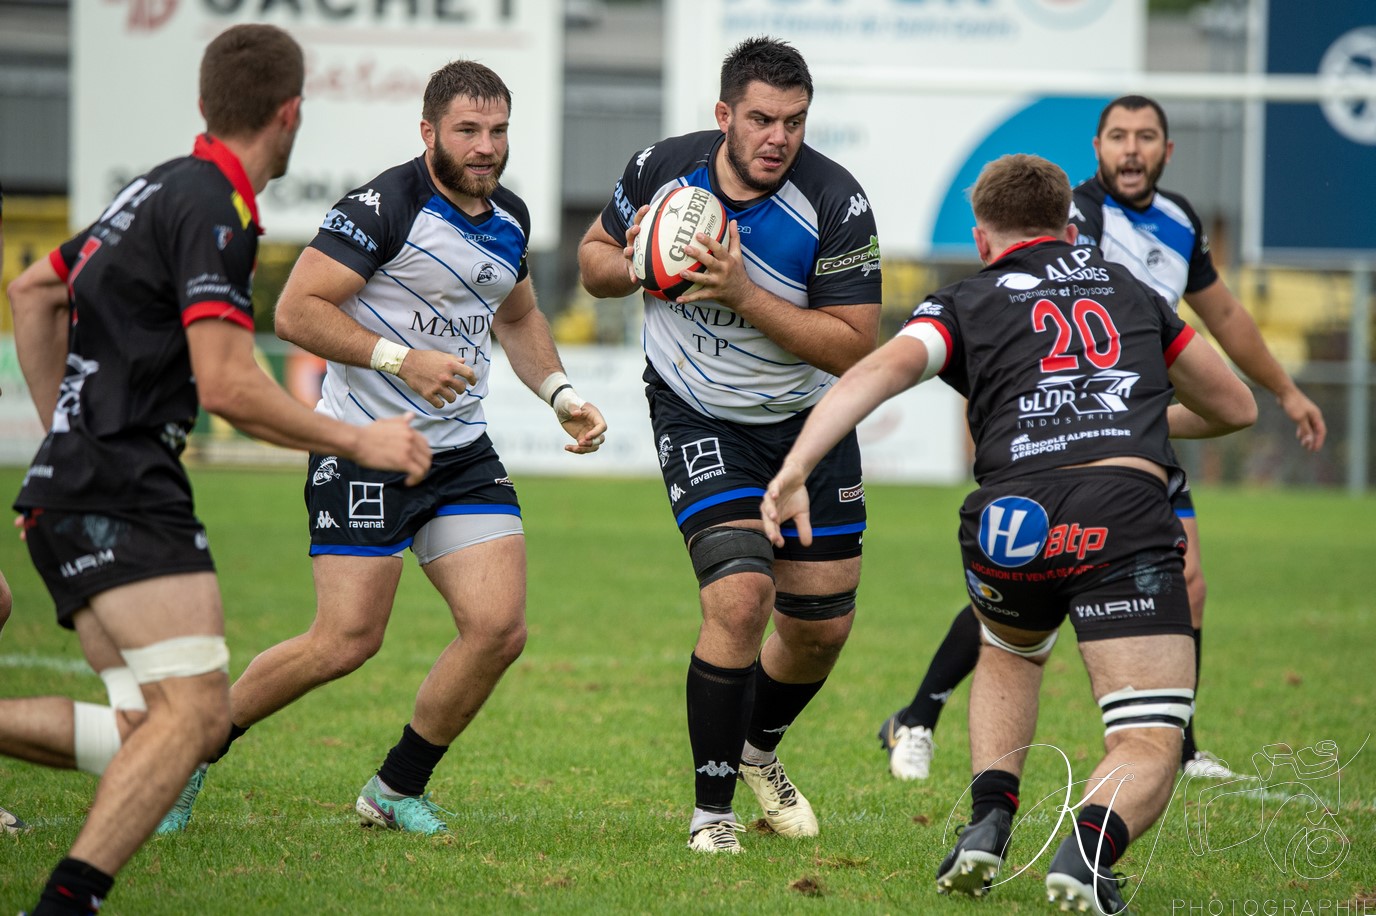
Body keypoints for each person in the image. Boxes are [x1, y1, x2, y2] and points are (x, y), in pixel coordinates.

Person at [1, 24, 431, 916]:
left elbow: (32, 293)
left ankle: (68, 902)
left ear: (205, 104)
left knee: (150, 730)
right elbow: (230, 384)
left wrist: (60, 443)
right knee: (195, 720)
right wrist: (359, 441)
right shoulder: (216, 208)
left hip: (75, 486)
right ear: (290, 113)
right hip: (126, 487)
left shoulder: (156, 186)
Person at [763, 153, 1256, 911]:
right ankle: (1086, 853)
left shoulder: (963, 300)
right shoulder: (1128, 288)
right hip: (1119, 510)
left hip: (1009, 516)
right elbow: (1235, 406)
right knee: (1149, 736)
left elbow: (876, 373)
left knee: (1010, 650)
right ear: (1070, 228)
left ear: (982, 238)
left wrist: (797, 466)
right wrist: (1129, 419)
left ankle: (988, 823)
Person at [156, 59, 607, 838]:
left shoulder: (510, 216)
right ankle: (183, 753)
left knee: (498, 630)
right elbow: (296, 310)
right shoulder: (383, 206)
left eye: (498, 130)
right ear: (429, 131)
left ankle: (396, 788)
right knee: (345, 641)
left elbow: (518, 317)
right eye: (468, 130)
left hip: (459, 453)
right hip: (364, 446)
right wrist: (401, 360)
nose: (486, 146)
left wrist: (562, 396)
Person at [877, 94, 1327, 783]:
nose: (1131, 149)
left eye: (1146, 136)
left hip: (1131, 422)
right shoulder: (1072, 221)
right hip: (1073, 433)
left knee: (1184, 579)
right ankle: (918, 715)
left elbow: (1226, 315)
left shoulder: (1180, 221)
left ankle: (1178, 743)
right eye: (1118, 135)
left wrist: (1285, 391)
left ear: (1166, 151)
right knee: (1031, 581)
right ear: (1097, 148)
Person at [577, 36, 882, 854]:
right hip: (698, 413)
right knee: (741, 597)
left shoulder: (837, 202)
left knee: (820, 629)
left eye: (794, 121)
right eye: (760, 119)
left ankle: (756, 751)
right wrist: (641, 263)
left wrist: (743, 293)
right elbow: (593, 260)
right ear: (724, 115)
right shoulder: (660, 169)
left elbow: (854, 347)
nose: (778, 137)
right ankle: (710, 816)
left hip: (808, 426)